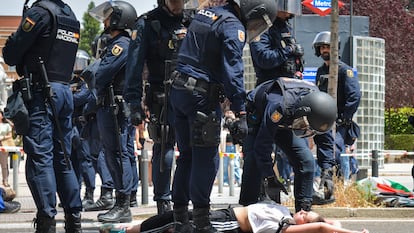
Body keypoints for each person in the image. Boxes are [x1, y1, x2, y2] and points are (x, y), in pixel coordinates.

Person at [168, 0, 278, 232]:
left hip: (178, 91)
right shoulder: (232, 26)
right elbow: (233, 70)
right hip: (201, 97)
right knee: (206, 159)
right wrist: (240, 111)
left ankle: (180, 219)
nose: (255, 26)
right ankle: (201, 222)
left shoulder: (208, 14)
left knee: (185, 157)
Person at [2, 0, 83, 231]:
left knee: (41, 159)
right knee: (63, 159)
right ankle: (73, 220)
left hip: (42, 93)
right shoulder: (70, 15)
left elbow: (11, 53)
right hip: (64, 92)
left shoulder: (40, 13)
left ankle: (47, 221)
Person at [124, 0, 188, 215]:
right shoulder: (147, 23)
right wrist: (133, 102)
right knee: (164, 148)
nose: (178, 4)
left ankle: (184, 202)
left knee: (191, 151)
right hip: (162, 95)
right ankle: (163, 203)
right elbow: (134, 64)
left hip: (190, 94)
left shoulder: (192, 20)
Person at [240, 77, 337, 213]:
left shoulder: (320, 109)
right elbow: (263, 145)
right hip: (259, 116)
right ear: (302, 111)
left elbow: (325, 139)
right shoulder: (278, 105)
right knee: (254, 161)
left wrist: (327, 171)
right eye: (304, 126)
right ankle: (247, 209)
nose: (306, 130)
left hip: (288, 119)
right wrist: (270, 177)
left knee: (306, 161)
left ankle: (303, 211)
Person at [88, 0, 138, 223]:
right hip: (109, 106)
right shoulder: (114, 43)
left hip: (114, 107)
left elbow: (101, 73)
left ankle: (122, 205)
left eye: (108, 16)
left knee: (117, 155)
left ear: (119, 18)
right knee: (113, 154)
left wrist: (87, 77)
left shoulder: (122, 45)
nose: (105, 21)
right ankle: (121, 203)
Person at [312, 31, 361, 203]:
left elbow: (354, 96)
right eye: (323, 47)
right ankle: (330, 192)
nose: (325, 50)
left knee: (332, 152)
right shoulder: (320, 71)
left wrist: (344, 118)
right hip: (323, 121)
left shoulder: (344, 70)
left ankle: (332, 190)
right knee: (324, 152)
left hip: (338, 122)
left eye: (328, 47)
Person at [103, 201, 369, 233]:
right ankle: (131, 227)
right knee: (175, 213)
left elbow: (323, 228)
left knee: (176, 225)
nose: (302, 211)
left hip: (227, 223)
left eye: (305, 215)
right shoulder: (285, 212)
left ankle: (125, 232)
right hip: (224, 210)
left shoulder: (285, 229)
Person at [249, 0, 304, 86]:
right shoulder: (262, 26)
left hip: (289, 84)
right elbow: (263, 58)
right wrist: (289, 50)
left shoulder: (286, 26)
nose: (287, 10)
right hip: (270, 85)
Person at [70, 50, 97, 209]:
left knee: (86, 161)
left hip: (82, 126)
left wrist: (67, 95)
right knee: (73, 162)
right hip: (71, 126)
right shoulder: (72, 81)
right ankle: (74, 194)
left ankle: (90, 194)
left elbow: (79, 98)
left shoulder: (86, 82)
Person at [0, 110, 15, 188]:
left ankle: (5, 180)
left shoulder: (6, 125)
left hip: (3, 146)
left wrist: (2, 138)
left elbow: (10, 135)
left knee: (4, 165)